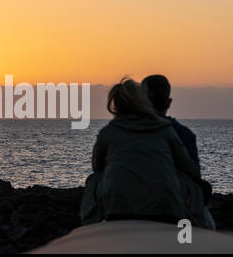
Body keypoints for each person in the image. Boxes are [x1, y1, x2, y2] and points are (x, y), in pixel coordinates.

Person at [81, 78, 208, 228]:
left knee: (95, 179)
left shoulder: (108, 132)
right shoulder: (165, 130)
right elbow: (191, 170)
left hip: (117, 210)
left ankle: (90, 226)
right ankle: (200, 231)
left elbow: (97, 167)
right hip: (166, 211)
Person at [141, 74, 216, 229]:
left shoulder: (124, 131)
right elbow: (194, 174)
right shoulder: (183, 134)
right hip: (172, 202)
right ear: (169, 103)